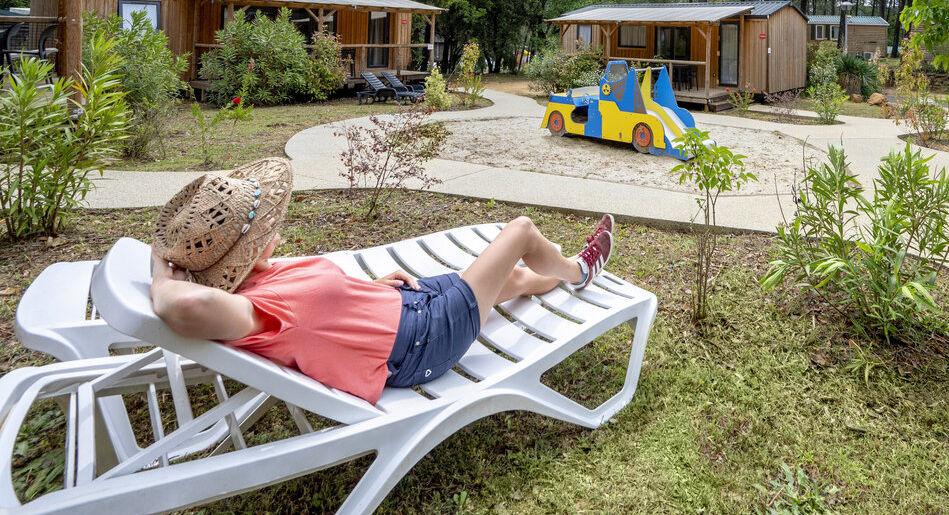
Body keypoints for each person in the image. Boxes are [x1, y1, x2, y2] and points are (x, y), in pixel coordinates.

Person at [149, 158, 613, 404]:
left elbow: (323, 314)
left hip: (402, 307)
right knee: (521, 231)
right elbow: (181, 308)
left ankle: (566, 270)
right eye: (266, 228)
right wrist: (159, 273)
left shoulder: (260, 277)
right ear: (248, 248)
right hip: (422, 342)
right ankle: (580, 271)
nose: (276, 228)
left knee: (511, 276)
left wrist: (370, 289)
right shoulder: (251, 311)